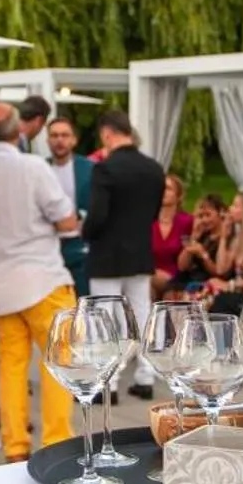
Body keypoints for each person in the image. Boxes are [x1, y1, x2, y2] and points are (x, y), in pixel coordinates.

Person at [0, 102, 81, 461]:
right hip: (42, 278)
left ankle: (15, 445)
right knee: (58, 361)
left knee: (10, 365)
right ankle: (56, 441)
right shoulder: (32, 167)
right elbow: (66, 219)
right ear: (18, 130)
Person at [82, 111, 164, 395]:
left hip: (107, 253)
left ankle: (108, 384)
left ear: (107, 134)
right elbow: (154, 213)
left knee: (104, 316)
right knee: (141, 313)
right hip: (140, 251)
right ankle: (145, 378)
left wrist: (86, 233)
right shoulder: (154, 168)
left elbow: (97, 216)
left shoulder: (105, 169)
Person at [44, 117, 92, 296]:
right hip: (48, 245)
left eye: (65, 135)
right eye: (54, 135)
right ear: (48, 140)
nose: (59, 140)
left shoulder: (89, 168)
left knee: (82, 301)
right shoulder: (39, 168)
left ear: (74, 140)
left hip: (80, 244)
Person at [151, 173, 194, 298]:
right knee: (148, 290)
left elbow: (186, 263)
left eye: (168, 188)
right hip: (151, 275)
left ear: (179, 196)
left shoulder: (187, 221)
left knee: (170, 294)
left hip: (178, 277)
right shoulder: (148, 221)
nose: (163, 191)